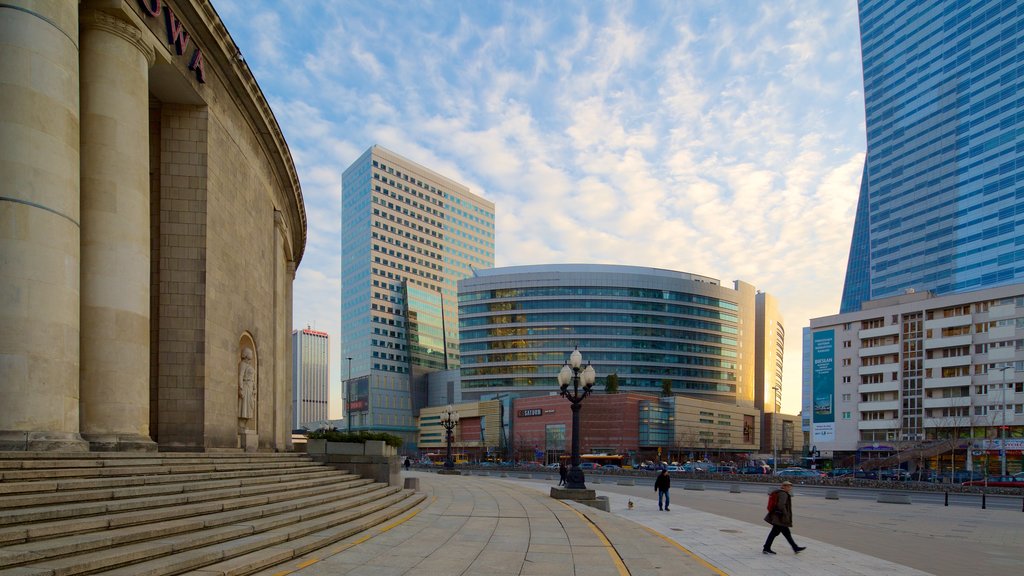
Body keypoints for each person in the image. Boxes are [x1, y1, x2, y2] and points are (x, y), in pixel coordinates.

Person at [763, 480, 806, 555]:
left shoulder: (780, 492)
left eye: (790, 486)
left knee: (786, 533)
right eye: (789, 486)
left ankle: (795, 547)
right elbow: (781, 505)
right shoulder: (783, 494)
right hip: (780, 518)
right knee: (774, 533)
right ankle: (766, 548)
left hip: (779, 517)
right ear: (784, 486)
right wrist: (785, 514)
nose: (790, 488)